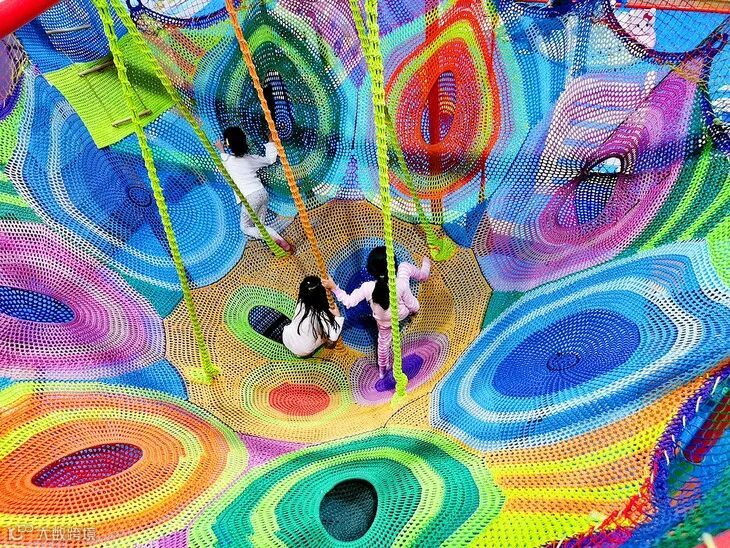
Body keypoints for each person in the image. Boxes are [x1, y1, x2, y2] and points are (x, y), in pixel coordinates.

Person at [324, 246, 430, 378]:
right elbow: (411, 304)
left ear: (371, 270)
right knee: (405, 268)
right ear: (393, 266)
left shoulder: (367, 287)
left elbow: (348, 301)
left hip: (383, 322)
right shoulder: (400, 283)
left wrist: (334, 288)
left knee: (383, 345)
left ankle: (382, 371)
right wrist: (414, 310)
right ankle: (423, 275)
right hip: (401, 314)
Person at [215, 126, 292, 252]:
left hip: (250, 198)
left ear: (228, 143)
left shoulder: (227, 161)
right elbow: (270, 160)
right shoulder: (251, 159)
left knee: (245, 227)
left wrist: (221, 149)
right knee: (260, 226)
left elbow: (222, 164)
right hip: (262, 193)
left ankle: (275, 240)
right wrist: (270, 142)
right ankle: (282, 244)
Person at [282, 276, 344, 357]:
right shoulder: (321, 313)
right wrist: (337, 316)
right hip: (303, 350)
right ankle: (307, 353)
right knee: (325, 336)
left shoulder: (301, 302)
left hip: (286, 337)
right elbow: (333, 336)